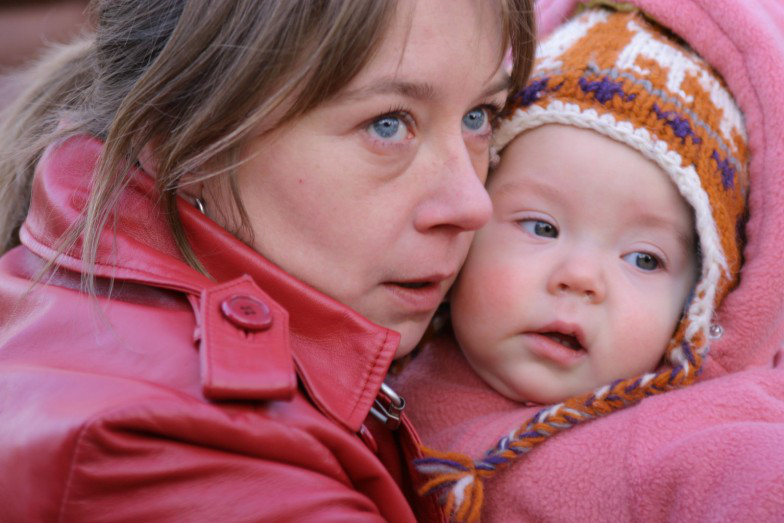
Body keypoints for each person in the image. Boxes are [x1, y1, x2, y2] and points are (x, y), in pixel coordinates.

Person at [0, 0, 536, 521]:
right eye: (388, 124)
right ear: (183, 141)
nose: (472, 204)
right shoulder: (186, 450)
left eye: (478, 116)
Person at [391, 2, 784, 522]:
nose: (580, 279)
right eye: (541, 227)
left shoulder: (690, 441)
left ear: (696, 307)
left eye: (644, 259)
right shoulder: (384, 350)